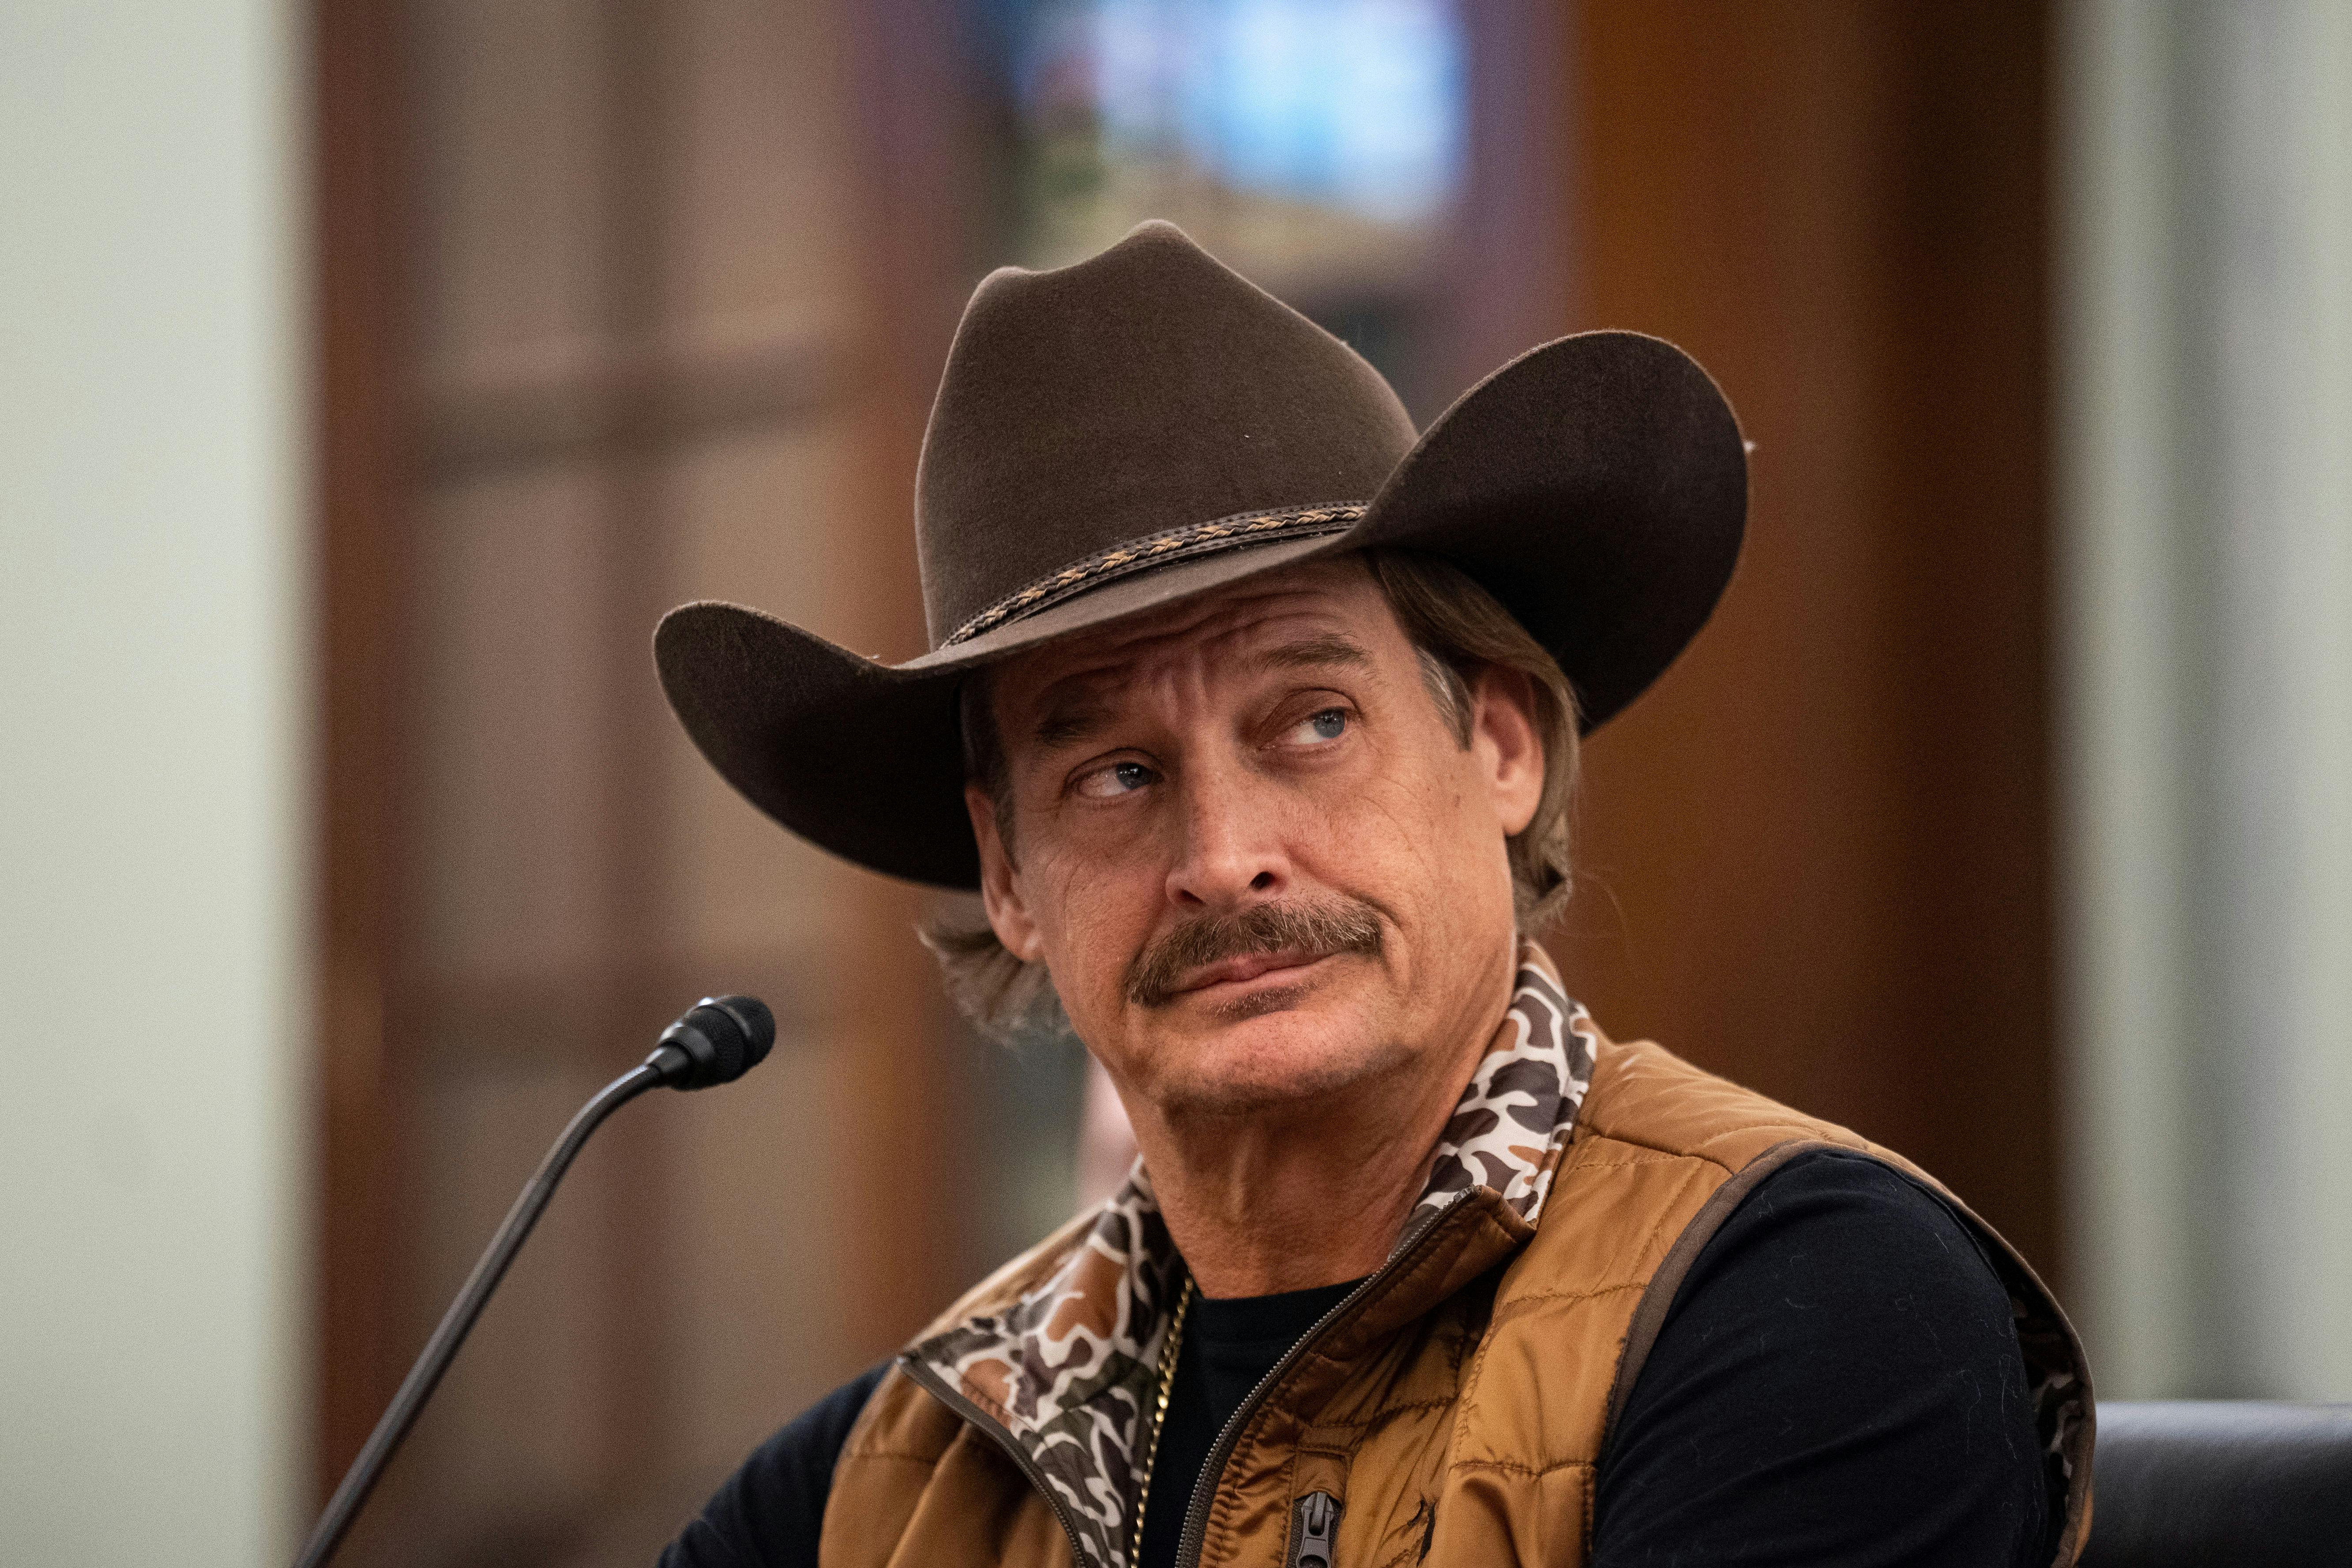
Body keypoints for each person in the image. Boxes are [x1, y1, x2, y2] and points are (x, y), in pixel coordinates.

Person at [652, 222, 2092, 1568]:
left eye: (1313, 722)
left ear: (1501, 743)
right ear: (1007, 876)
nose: (1224, 854)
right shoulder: (893, 1476)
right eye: (1114, 772)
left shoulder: (1801, 1303)